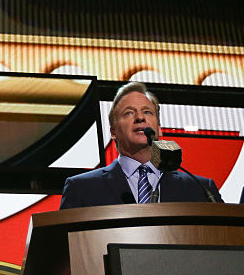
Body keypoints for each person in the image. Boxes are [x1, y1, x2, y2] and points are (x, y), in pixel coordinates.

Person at [59, 82, 223, 208]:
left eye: (147, 112)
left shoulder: (201, 189)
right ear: (113, 131)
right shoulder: (81, 188)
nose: (140, 118)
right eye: (129, 113)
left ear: (159, 129)